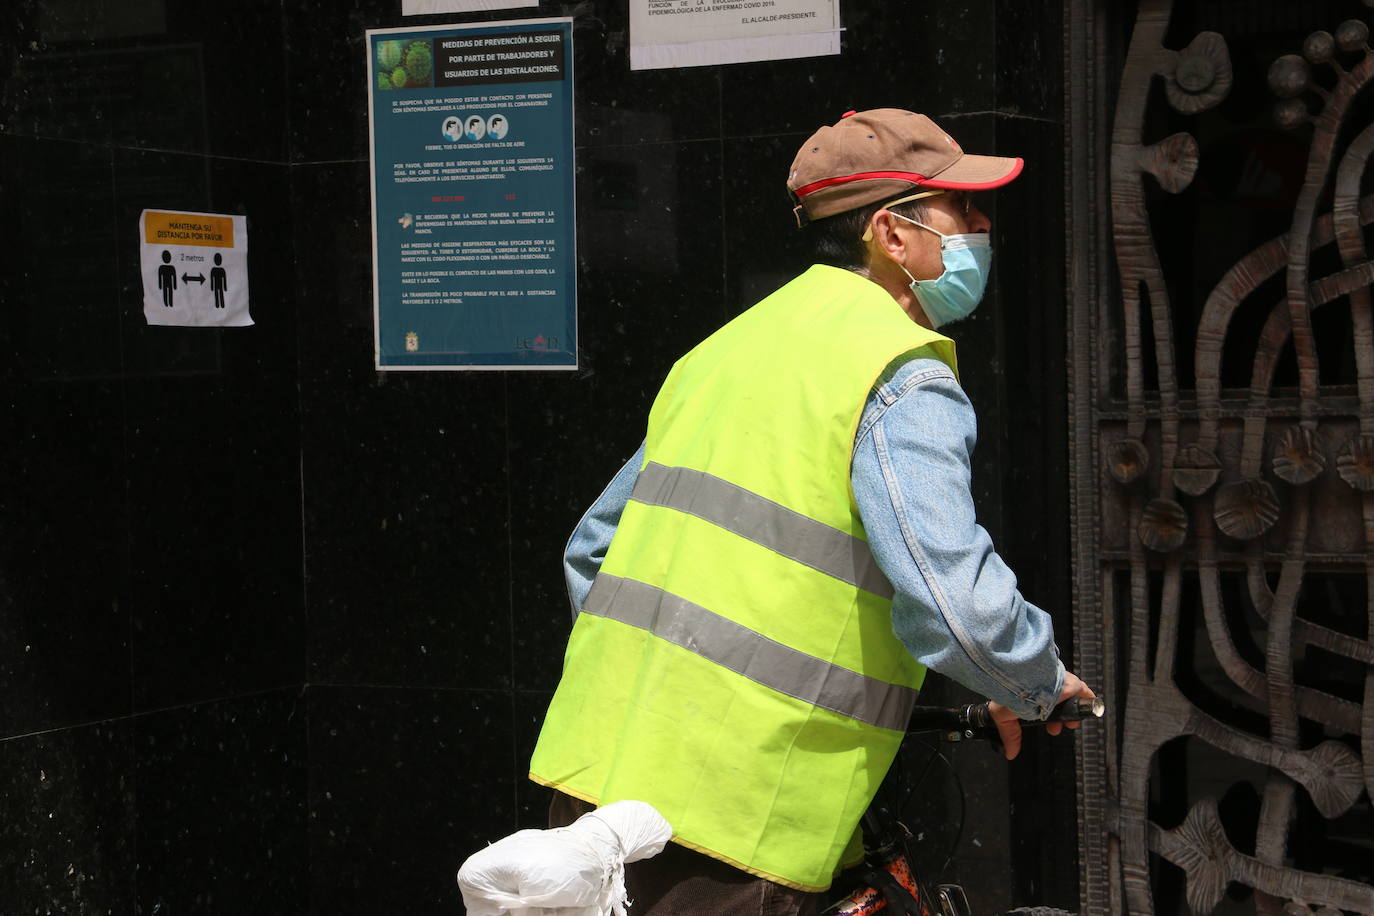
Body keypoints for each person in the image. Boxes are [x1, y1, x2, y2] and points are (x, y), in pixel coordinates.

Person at [528, 108, 1094, 916]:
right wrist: (1037, 683)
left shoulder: (725, 350)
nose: (980, 226)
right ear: (893, 236)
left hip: (593, 793)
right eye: (960, 209)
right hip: (737, 818)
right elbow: (957, 608)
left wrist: (669, 696)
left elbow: (593, 551)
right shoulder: (901, 374)